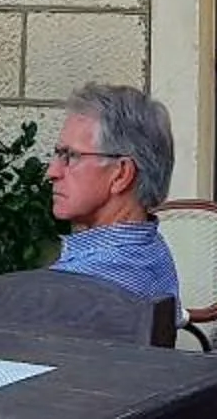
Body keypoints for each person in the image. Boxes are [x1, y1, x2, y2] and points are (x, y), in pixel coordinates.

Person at [44, 83, 180, 304]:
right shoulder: (147, 249)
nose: (52, 172)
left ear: (121, 174)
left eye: (71, 156)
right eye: (58, 154)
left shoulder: (90, 283)